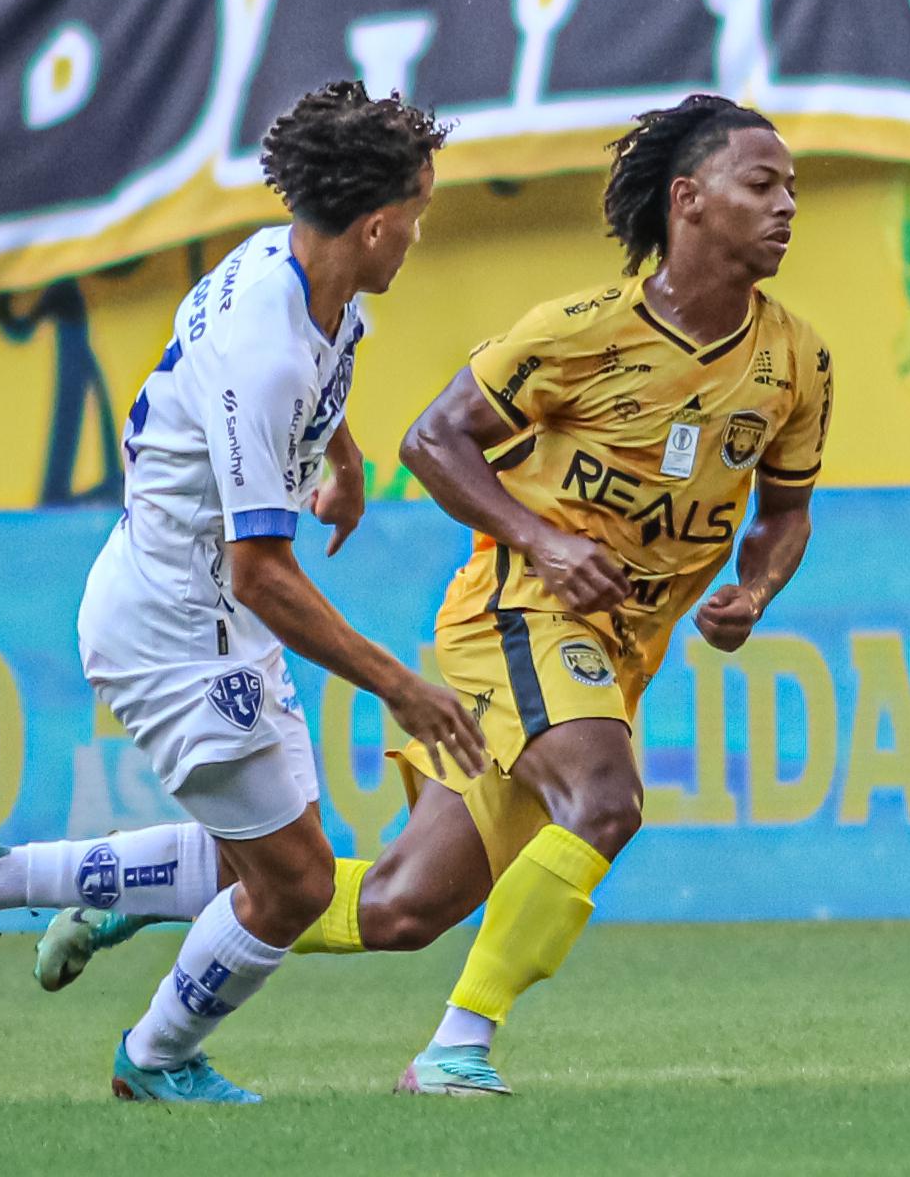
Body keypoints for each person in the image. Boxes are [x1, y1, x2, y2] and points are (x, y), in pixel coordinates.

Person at [0, 84, 488, 1106]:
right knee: (293, 885)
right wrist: (396, 684)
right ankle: (151, 1058)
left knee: (277, 857)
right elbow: (262, 571)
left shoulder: (305, 272)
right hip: (176, 624)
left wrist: (347, 458)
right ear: (375, 223)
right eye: (416, 213)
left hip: (204, 609)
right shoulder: (265, 346)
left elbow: (305, 388)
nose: (418, 233)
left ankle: (5, 878)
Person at [261, 94, 829, 1099]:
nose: (787, 205)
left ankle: (129, 888)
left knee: (399, 907)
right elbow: (433, 441)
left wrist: (755, 584)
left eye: (791, 187)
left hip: (616, 649)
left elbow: (784, 510)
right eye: (763, 183)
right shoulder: (580, 331)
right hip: (518, 610)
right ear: (689, 200)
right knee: (603, 800)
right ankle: (455, 1047)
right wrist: (544, 540)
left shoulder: (796, 360)